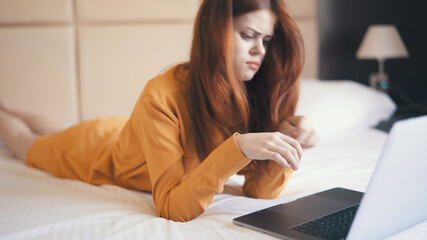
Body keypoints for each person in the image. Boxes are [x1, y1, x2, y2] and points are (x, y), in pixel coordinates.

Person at [0, 0, 318, 222]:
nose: (259, 50)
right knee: (22, 142)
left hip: (132, 132)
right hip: (99, 152)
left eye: (266, 39)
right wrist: (237, 148)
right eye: (247, 36)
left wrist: (285, 143)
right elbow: (171, 206)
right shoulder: (162, 95)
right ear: (213, 32)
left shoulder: (255, 92)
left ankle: (12, 107)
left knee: (61, 127)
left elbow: (259, 190)